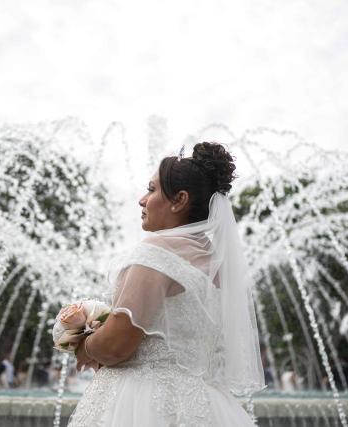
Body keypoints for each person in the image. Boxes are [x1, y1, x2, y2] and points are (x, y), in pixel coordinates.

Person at [68, 142, 266, 426]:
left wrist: (82, 340)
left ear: (179, 200)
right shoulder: (217, 267)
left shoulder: (155, 254)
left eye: (151, 190)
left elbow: (115, 346)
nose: (142, 199)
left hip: (140, 403)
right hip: (206, 404)